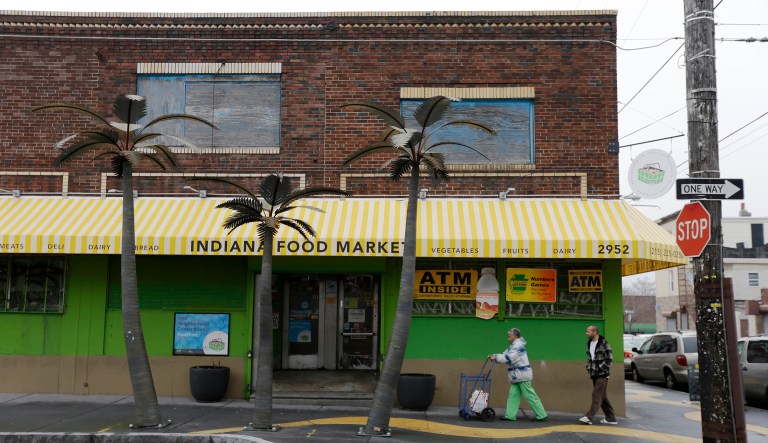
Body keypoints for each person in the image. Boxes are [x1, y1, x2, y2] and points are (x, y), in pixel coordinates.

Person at [488, 328, 548, 422]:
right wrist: (495, 355)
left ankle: (541, 414)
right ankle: (510, 415)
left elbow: (509, 358)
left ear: (515, 336)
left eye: (509, 336)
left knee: (529, 395)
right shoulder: (514, 345)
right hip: (517, 375)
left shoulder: (517, 345)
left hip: (522, 374)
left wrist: (495, 357)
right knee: (513, 395)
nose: (508, 338)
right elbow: (504, 354)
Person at [579, 325, 618, 425]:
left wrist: (601, 368)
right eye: (586, 331)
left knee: (596, 394)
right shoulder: (590, 343)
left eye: (588, 332)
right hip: (594, 373)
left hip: (603, 374)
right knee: (602, 396)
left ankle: (589, 417)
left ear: (595, 332)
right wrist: (589, 367)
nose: (586, 333)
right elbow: (590, 358)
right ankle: (611, 418)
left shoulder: (604, 343)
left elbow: (609, 359)